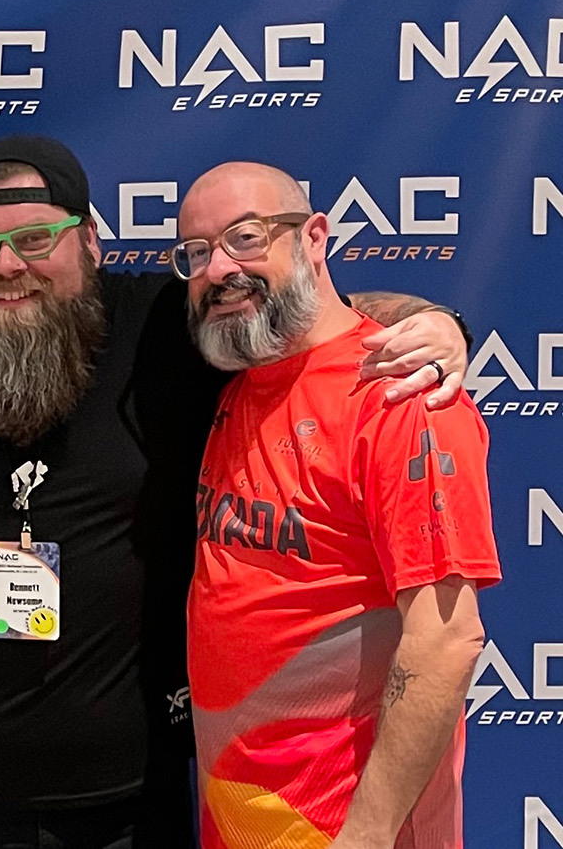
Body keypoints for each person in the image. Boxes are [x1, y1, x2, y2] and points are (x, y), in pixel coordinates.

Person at [0, 135, 471, 848]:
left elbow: (314, 315)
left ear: (89, 241)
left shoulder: (171, 325)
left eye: (36, 239)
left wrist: (443, 328)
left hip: (136, 801)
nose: (8, 266)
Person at [178, 162, 500, 849]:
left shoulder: (403, 396)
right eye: (197, 253)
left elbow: (447, 639)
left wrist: (367, 836)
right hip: (238, 816)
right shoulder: (246, 374)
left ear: (315, 238)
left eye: (245, 237)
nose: (219, 268)